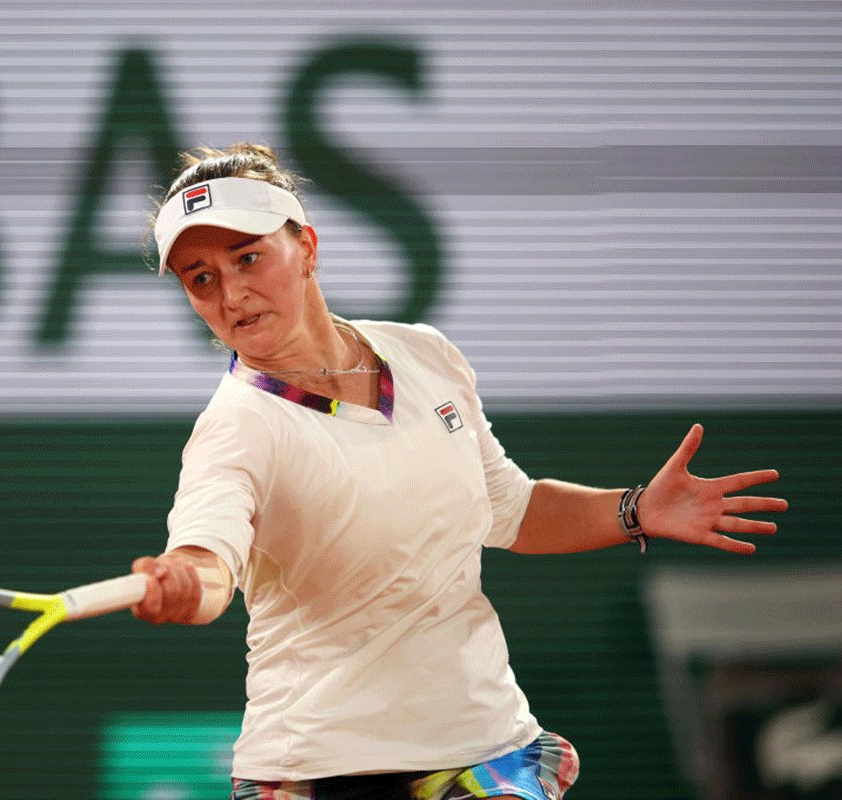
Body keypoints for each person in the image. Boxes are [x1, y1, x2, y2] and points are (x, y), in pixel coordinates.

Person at [129, 143, 787, 800]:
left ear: (307, 247)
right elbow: (210, 555)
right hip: (315, 770)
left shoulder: (425, 356)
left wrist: (635, 509)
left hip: (477, 748)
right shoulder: (235, 428)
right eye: (201, 278)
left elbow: (509, 508)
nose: (233, 293)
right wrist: (192, 579)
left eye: (248, 257)